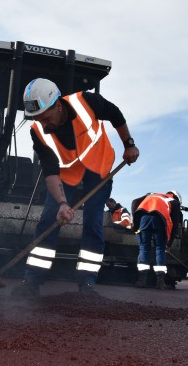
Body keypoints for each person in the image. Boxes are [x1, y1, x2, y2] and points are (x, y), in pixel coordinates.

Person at [11, 78, 140, 296]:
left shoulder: (86, 102)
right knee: (49, 219)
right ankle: (32, 281)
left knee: (93, 221)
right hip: (67, 175)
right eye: (37, 119)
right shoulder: (38, 132)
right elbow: (51, 172)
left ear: (58, 105)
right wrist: (62, 203)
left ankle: (87, 283)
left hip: (98, 169)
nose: (43, 124)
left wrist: (129, 145)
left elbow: (116, 114)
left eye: (45, 118)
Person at [132, 191, 183, 289]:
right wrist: (169, 244)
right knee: (160, 248)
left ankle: (142, 280)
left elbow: (134, 202)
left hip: (143, 217)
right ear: (177, 198)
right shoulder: (174, 202)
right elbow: (175, 225)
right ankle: (160, 282)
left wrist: (135, 226)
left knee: (144, 247)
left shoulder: (152, 194)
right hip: (159, 219)